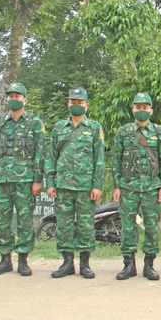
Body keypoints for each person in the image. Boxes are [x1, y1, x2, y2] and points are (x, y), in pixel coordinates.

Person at [0, 82, 46, 276]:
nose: (13, 99)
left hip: (25, 180)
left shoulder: (34, 122)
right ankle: (4, 259)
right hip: (1, 179)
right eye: (10, 96)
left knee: (25, 220)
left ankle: (23, 260)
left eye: (17, 96)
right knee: (2, 221)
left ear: (25, 100)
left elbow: (40, 152)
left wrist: (37, 179)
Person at [45, 87, 105, 279]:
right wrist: (51, 182)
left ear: (86, 105)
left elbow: (100, 159)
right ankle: (67, 262)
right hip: (63, 185)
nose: (77, 105)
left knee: (86, 224)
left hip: (85, 186)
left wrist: (97, 185)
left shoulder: (95, 128)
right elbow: (51, 156)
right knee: (64, 224)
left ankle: (85, 263)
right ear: (68, 104)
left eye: (80, 102)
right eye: (73, 102)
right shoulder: (59, 127)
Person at [111, 92, 161, 281]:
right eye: (138, 107)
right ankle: (128, 265)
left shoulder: (159, 132)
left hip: (152, 188)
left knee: (151, 226)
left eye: (145, 108)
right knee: (128, 226)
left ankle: (149, 265)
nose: (142, 110)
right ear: (133, 110)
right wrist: (117, 185)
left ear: (151, 110)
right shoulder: (123, 132)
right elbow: (116, 160)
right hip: (128, 188)